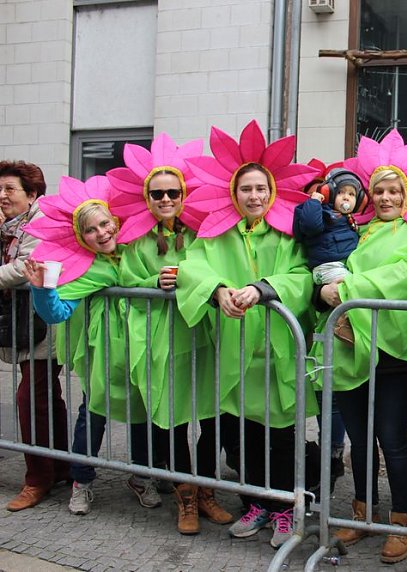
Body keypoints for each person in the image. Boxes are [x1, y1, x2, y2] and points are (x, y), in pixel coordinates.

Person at [314, 129, 407, 564]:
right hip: (353, 345)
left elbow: (405, 274)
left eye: (394, 190)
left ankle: (401, 521)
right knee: (360, 439)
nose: (386, 197)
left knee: (393, 439)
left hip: (397, 350)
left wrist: (346, 289)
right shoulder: (356, 229)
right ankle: (363, 514)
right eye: (378, 190)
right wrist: (322, 287)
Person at [178, 120, 319, 548]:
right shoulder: (215, 234)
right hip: (237, 350)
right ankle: (255, 504)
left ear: (271, 191)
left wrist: (262, 289)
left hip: (278, 353)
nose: (254, 196)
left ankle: (286, 510)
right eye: (246, 189)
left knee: (283, 437)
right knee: (246, 437)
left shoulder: (288, 234)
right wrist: (217, 289)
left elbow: (303, 276)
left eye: (260, 188)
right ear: (234, 193)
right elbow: (192, 267)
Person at [107, 133, 233, 535]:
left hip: (203, 336)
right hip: (163, 340)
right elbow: (126, 281)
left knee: (212, 415)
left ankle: (207, 491)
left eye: (172, 193)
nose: (165, 199)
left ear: (183, 195)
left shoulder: (200, 233)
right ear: (147, 198)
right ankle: (186, 496)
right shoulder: (135, 241)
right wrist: (152, 281)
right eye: (157, 194)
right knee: (173, 419)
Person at [23, 175, 158, 516]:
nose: (101, 233)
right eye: (90, 230)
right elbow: (56, 313)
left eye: (104, 224)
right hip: (102, 354)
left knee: (142, 412)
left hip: (140, 349)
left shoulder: (136, 252)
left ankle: (142, 477)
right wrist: (42, 289)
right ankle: (81, 481)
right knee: (93, 414)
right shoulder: (82, 269)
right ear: (81, 236)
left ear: (116, 221)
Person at [0, 160, 68, 511]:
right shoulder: (9, 226)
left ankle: (38, 478)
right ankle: (61, 465)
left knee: (30, 398)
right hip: (25, 323)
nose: (2, 195)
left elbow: (23, 269)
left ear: (31, 195)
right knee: (46, 397)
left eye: (9, 189)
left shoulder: (40, 222)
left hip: (44, 325)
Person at [293, 166, 366, 344]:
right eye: (341, 192)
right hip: (327, 267)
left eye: (351, 194)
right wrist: (314, 202)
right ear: (329, 193)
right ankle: (343, 327)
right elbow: (310, 225)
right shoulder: (323, 213)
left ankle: (347, 324)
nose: (346, 197)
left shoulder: (349, 220)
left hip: (337, 266)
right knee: (352, 287)